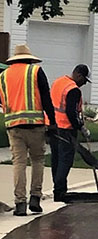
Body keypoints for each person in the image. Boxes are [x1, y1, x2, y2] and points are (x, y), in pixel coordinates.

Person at [0, 44, 57, 216]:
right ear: (29, 59)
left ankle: (20, 204)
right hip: (35, 125)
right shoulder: (35, 72)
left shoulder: (3, 76)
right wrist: (52, 122)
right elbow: (46, 97)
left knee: (19, 163)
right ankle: (35, 198)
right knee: (38, 160)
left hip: (13, 126)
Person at [48, 64, 91, 202]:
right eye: (84, 80)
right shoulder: (73, 89)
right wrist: (80, 127)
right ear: (78, 75)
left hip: (53, 127)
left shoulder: (58, 82)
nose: (84, 83)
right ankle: (59, 191)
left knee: (56, 159)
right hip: (66, 129)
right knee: (65, 160)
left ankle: (59, 188)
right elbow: (71, 113)